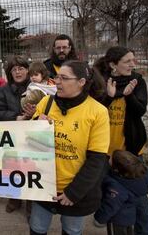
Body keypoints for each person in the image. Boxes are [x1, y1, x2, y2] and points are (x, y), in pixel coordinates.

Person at [30, 60, 109, 235]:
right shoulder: (46, 103)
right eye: (57, 76)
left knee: (72, 231)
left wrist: (74, 192)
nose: (57, 81)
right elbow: (29, 144)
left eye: (64, 78)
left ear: (81, 82)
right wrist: (36, 124)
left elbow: (97, 159)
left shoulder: (98, 112)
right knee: (37, 228)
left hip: (75, 192)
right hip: (43, 186)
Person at [94, 46, 148, 234]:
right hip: (105, 153)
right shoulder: (101, 82)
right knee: (111, 197)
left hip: (131, 152)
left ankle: (145, 231)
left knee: (140, 200)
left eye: (133, 60)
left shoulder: (137, 81)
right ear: (113, 64)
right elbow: (95, 112)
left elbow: (140, 111)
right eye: (127, 61)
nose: (132, 64)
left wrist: (128, 96)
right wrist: (111, 97)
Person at [0, 56, 35, 214]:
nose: (18, 72)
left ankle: (31, 203)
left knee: (31, 169)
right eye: (14, 69)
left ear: (27, 70)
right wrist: (17, 117)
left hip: (33, 137)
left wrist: (34, 115)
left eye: (21, 68)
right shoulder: (4, 90)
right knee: (12, 168)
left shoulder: (36, 87)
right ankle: (15, 199)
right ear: (10, 73)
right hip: (12, 137)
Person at [94, 150, 148, 235]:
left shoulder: (117, 187)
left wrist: (99, 217)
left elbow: (110, 206)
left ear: (117, 170)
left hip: (117, 221)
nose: (109, 158)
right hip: (130, 217)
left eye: (111, 159)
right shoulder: (141, 175)